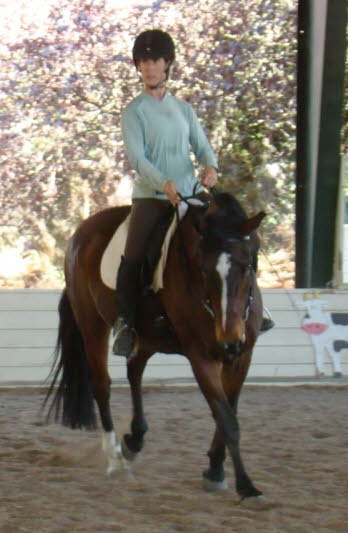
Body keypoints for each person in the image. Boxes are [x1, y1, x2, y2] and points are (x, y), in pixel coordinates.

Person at [112, 29, 273, 358]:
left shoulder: (183, 109)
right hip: (151, 197)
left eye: (154, 60)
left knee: (234, 242)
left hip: (191, 194)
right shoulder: (134, 112)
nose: (148, 67)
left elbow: (202, 146)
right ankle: (126, 325)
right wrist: (163, 183)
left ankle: (256, 308)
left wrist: (211, 167)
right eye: (143, 62)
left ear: (167, 63)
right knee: (133, 257)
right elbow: (137, 159)